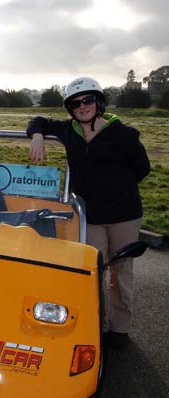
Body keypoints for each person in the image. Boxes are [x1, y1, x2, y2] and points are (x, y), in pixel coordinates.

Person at [26, 76, 150, 348]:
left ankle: (120, 328)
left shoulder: (123, 133)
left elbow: (143, 168)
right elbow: (39, 120)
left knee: (122, 271)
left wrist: (117, 188)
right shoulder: (70, 130)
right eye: (76, 103)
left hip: (124, 215)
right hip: (90, 215)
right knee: (95, 271)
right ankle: (99, 324)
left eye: (88, 100)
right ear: (70, 109)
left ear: (99, 102)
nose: (82, 106)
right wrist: (36, 136)